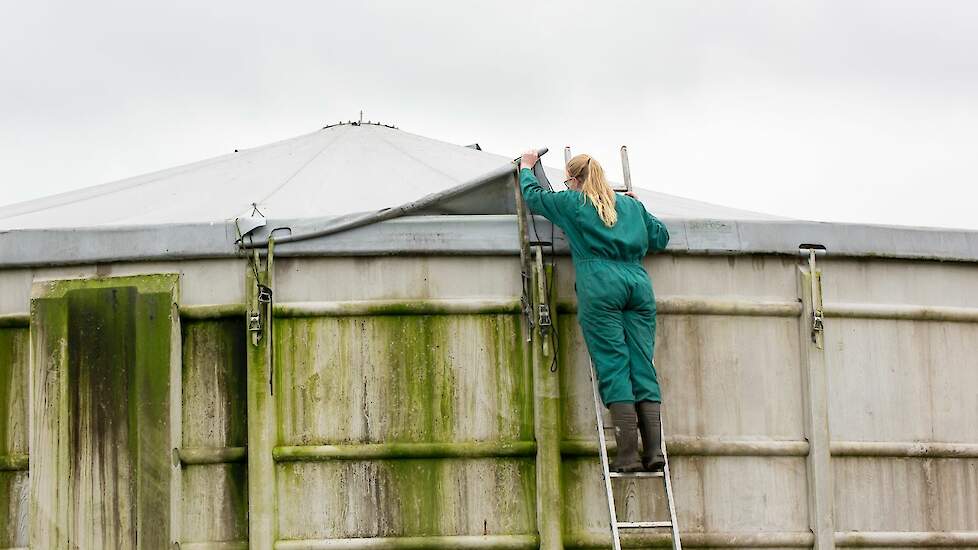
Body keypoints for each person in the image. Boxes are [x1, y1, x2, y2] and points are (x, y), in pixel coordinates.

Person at [519, 150, 670, 472]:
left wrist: (527, 167)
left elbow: (534, 197)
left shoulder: (573, 203)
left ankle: (628, 455)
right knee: (642, 363)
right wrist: (637, 204)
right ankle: (655, 452)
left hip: (600, 284)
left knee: (614, 364)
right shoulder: (629, 205)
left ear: (573, 180)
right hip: (638, 285)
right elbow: (660, 237)